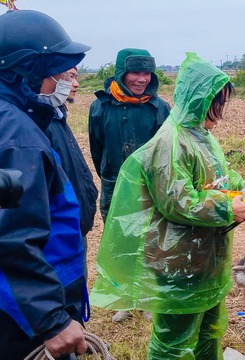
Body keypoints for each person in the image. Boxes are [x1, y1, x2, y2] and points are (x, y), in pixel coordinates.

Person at [90, 52, 245, 359]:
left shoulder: (202, 137)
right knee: (173, 344)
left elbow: (221, 180)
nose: (221, 111)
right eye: (218, 102)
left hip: (206, 258)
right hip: (178, 263)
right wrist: (229, 209)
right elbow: (178, 202)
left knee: (208, 333)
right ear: (201, 99)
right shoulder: (171, 142)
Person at [0, 10, 90, 359]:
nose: (63, 80)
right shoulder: (16, 136)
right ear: (26, 70)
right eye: (54, 70)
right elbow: (11, 237)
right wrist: (50, 320)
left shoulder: (17, 120)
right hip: (21, 319)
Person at [88, 48, 170, 322]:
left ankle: (147, 298)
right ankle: (124, 299)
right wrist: (113, 176)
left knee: (151, 242)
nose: (141, 79)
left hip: (151, 187)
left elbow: (167, 152)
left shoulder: (160, 108)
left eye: (146, 73)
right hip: (115, 185)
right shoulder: (100, 107)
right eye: (135, 72)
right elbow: (96, 149)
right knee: (120, 242)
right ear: (122, 73)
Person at [32, 67, 99, 259]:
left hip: (73, 229)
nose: (76, 84)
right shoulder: (38, 122)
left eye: (76, 77)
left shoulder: (57, 115)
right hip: (57, 239)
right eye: (69, 76)